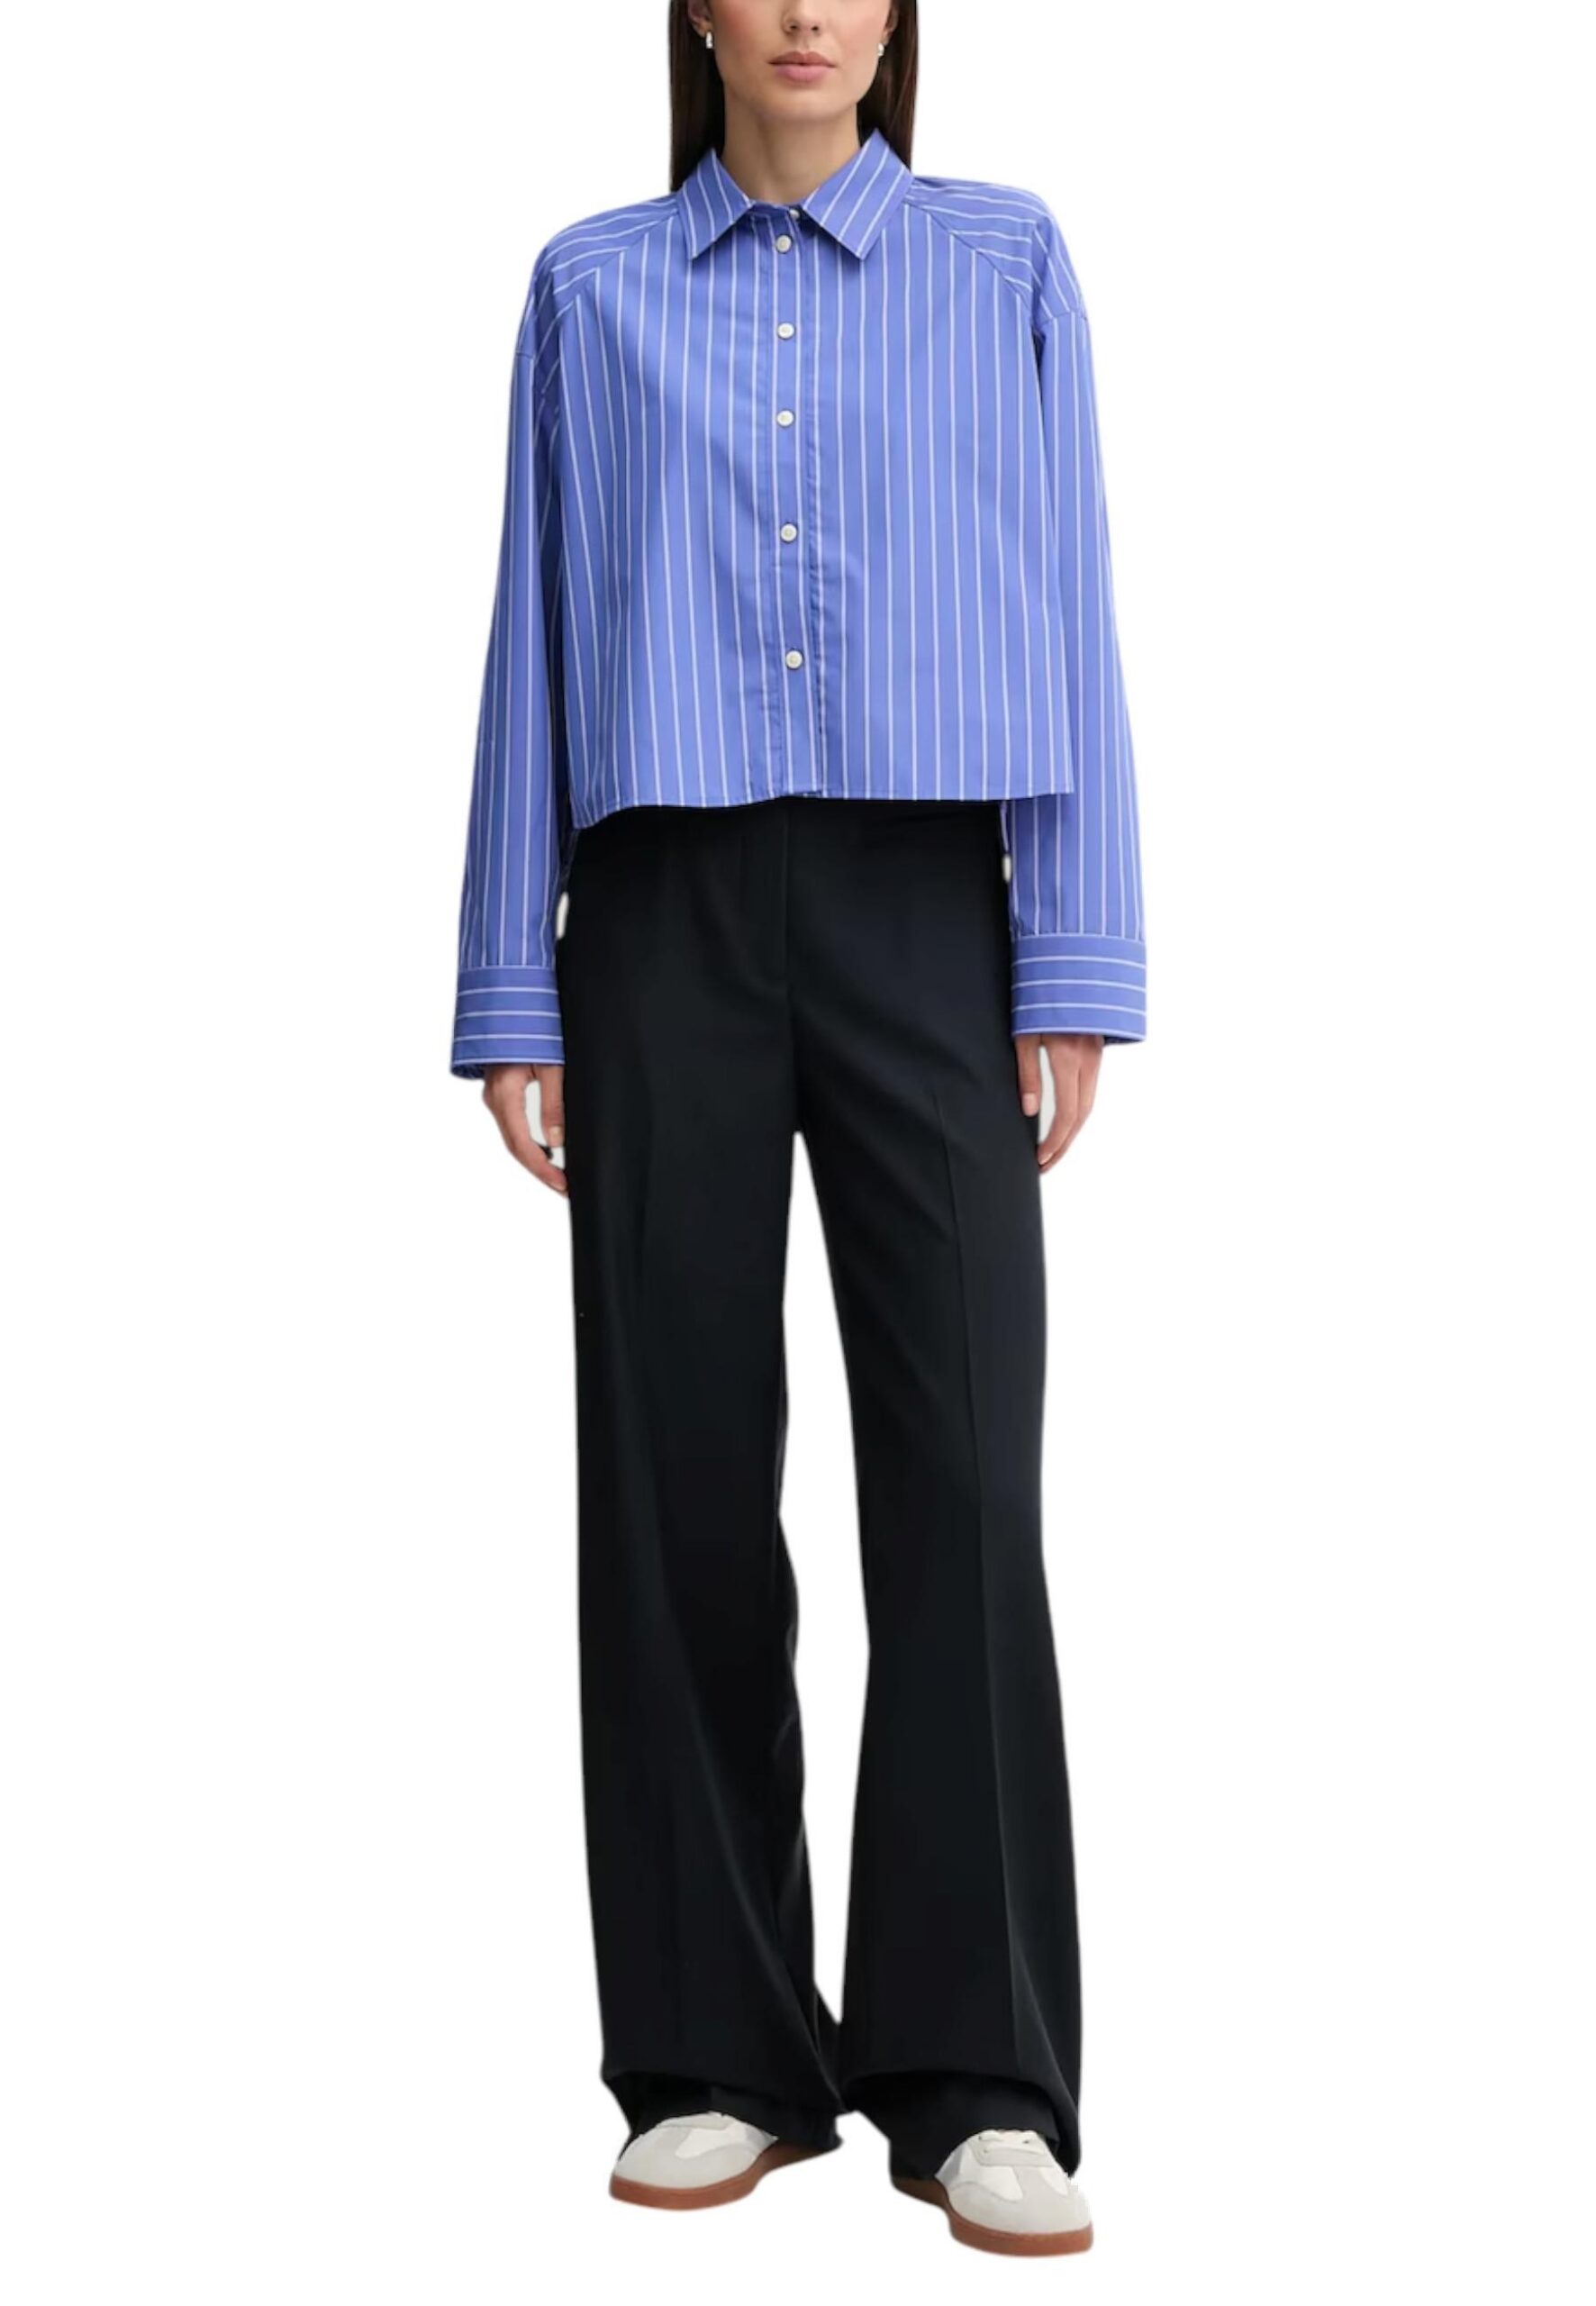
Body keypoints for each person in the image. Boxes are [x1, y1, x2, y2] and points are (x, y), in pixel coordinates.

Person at [449, 0, 1144, 2259]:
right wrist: (511, 973)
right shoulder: (588, 289)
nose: (807, 11)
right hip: (655, 908)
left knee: (962, 1474)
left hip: (929, 902)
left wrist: (1073, 950)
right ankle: (711, 2053)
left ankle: (977, 2072)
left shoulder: (1003, 262)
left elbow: (1072, 593)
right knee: (671, 1475)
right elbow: (535, 633)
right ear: (697, 12)